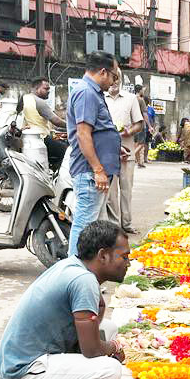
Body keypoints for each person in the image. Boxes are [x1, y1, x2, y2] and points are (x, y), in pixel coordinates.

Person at [0, 220, 130, 379]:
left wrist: (101, 311)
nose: (128, 263)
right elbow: (92, 349)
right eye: (124, 257)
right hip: (22, 373)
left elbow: (90, 333)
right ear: (103, 255)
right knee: (110, 370)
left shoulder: (73, 266)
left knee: (109, 329)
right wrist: (114, 349)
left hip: (22, 362)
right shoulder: (83, 280)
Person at [66, 52, 121, 256]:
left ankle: (85, 274)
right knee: (83, 228)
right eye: (114, 77)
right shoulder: (86, 93)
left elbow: (97, 131)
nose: (114, 82)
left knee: (91, 228)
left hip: (97, 171)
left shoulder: (92, 92)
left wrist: (114, 149)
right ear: (103, 72)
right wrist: (98, 169)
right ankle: (74, 275)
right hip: (90, 172)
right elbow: (83, 134)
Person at [104, 75, 143, 237]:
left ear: (121, 81)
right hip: (107, 150)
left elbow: (139, 124)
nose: (114, 83)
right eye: (111, 80)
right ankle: (114, 226)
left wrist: (128, 132)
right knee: (111, 192)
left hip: (127, 150)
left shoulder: (131, 98)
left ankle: (126, 223)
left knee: (126, 189)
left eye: (117, 80)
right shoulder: (101, 97)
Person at [19, 77, 68, 168]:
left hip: (27, 138)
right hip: (41, 138)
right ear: (37, 88)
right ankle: (58, 177)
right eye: (46, 88)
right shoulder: (39, 102)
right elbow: (56, 121)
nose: (48, 91)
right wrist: (71, 126)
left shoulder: (24, 98)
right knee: (67, 151)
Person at [133, 85, 148, 167]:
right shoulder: (141, 100)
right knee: (141, 144)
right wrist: (150, 125)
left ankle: (139, 163)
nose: (143, 92)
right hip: (140, 124)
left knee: (136, 143)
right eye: (142, 90)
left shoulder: (132, 99)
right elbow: (145, 114)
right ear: (140, 90)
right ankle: (131, 156)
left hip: (133, 124)